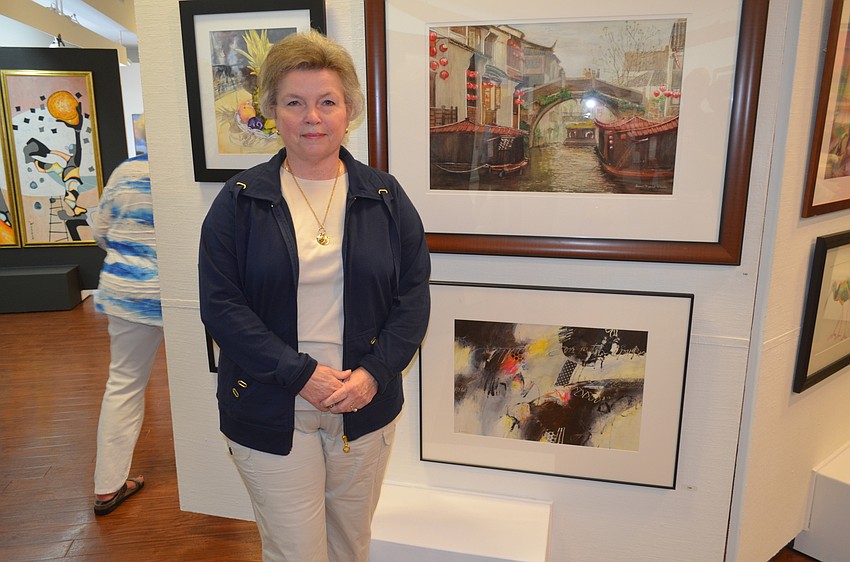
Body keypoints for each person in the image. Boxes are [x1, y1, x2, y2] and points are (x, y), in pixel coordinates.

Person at [198, 30, 431, 562]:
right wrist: (301, 374)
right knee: (295, 552)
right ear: (271, 112)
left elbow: (413, 297)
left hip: (363, 402)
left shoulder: (386, 197)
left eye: (327, 102)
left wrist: (373, 373)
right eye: (294, 103)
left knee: (351, 546)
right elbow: (222, 307)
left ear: (349, 111)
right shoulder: (238, 202)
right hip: (272, 401)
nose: (312, 117)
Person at [91, 148, 162, 516]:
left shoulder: (126, 171)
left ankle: (107, 486)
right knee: (210, 383)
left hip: (126, 291)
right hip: (183, 293)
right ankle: (219, 478)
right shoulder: (190, 173)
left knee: (123, 384)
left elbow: (100, 232)